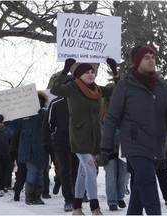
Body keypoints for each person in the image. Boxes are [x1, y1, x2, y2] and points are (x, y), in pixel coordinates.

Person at [101, 45, 167, 215]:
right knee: (148, 183)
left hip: (156, 144)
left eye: (153, 56)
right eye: (146, 57)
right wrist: (106, 144)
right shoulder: (125, 85)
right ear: (137, 61)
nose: (151, 60)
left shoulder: (161, 85)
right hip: (134, 144)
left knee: (140, 187)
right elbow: (112, 117)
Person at [50, 59, 114, 215]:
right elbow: (55, 89)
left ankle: (76, 207)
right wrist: (65, 69)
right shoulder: (72, 88)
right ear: (79, 75)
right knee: (91, 168)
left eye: (92, 72)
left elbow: (116, 90)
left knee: (83, 173)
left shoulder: (97, 90)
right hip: (78, 136)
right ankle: (94, 207)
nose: (91, 74)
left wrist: (115, 71)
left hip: (93, 137)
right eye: (87, 72)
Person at [42, 75, 79, 212]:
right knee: (66, 170)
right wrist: (47, 140)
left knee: (77, 171)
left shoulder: (81, 101)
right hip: (61, 141)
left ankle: (77, 197)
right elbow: (48, 123)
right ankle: (68, 199)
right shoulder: (56, 103)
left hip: (79, 141)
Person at [10, 91, 49, 205]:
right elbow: (13, 127)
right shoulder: (24, 117)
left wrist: (44, 118)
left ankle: (37, 197)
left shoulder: (45, 114)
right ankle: (29, 196)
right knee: (32, 172)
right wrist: (4, 118)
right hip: (27, 151)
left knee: (40, 175)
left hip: (41, 150)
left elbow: (52, 126)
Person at [99, 83, 130, 211]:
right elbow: (100, 129)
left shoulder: (125, 107)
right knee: (111, 176)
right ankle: (112, 201)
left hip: (124, 147)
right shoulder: (102, 110)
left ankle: (120, 197)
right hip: (108, 148)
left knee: (124, 175)